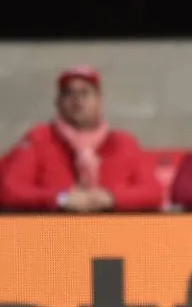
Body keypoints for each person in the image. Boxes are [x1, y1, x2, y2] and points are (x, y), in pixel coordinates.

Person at [0, 65, 162, 212]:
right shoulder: (39, 138)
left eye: (85, 93)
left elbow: (154, 192)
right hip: (52, 235)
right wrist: (61, 199)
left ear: (99, 101)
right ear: (58, 102)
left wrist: (110, 198)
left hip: (114, 234)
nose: (77, 100)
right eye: (68, 93)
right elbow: (10, 190)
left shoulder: (123, 142)